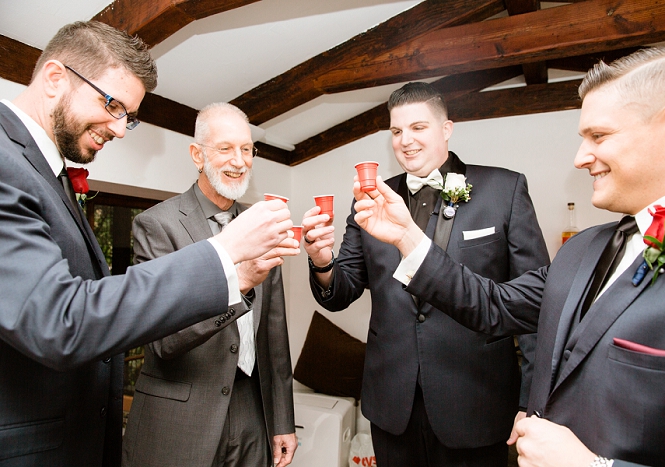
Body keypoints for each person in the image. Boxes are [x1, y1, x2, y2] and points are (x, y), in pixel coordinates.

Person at [351, 43, 665, 466]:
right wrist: (408, 238)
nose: (579, 158)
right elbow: (492, 306)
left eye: (599, 136)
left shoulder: (503, 189)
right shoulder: (582, 252)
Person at [0, 22, 294, 467]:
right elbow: (60, 319)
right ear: (56, 78)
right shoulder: (7, 163)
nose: (120, 129)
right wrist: (225, 256)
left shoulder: (48, 173)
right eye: (112, 104)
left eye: (128, 116)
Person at [302, 82, 550, 466]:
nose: (406, 141)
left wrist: (531, 403)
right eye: (397, 131)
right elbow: (341, 291)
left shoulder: (505, 189)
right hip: (391, 405)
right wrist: (321, 261)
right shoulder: (371, 200)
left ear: (446, 128)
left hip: (477, 401)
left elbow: (534, 308)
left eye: (418, 128)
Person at [122, 103, 297, 467]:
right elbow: (163, 341)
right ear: (197, 155)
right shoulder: (158, 226)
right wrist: (240, 286)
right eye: (225, 148)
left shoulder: (263, 226)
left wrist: (282, 420)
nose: (239, 160)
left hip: (252, 412)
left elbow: (273, 338)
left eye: (247, 149)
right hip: (182, 418)